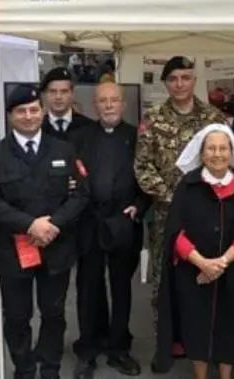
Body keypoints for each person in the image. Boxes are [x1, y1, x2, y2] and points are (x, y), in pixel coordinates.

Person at [0, 85, 89, 379]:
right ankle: (24, 369)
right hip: (13, 250)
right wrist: (30, 225)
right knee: (16, 317)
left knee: (53, 314)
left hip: (56, 246)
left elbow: (79, 195)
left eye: (34, 110)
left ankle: (50, 368)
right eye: (21, 111)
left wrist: (52, 225)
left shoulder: (64, 150)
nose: (29, 116)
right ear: (10, 115)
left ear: (42, 111)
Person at [152, 123, 234, 378]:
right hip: (193, 272)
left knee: (229, 325)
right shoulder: (188, 185)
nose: (217, 154)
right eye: (211, 148)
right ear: (202, 153)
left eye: (223, 148)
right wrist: (202, 263)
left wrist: (220, 263)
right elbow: (176, 232)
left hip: (231, 271)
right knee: (196, 324)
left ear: (232, 153)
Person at [133, 55, 227, 347]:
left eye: (185, 78)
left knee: (206, 269)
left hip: (207, 212)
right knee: (165, 274)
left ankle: (203, 334)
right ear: (165, 83)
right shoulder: (153, 118)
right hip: (166, 213)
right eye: (173, 79)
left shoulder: (213, 118)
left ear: (194, 80)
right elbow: (142, 166)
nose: (179, 84)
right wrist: (172, 197)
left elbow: (226, 161)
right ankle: (168, 337)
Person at [69, 82, 152, 378]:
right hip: (89, 222)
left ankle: (119, 349)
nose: (108, 105)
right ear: (94, 105)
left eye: (113, 100)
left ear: (123, 104)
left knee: (121, 288)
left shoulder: (138, 137)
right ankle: (88, 349)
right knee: (88, 287)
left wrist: (139, 206)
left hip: (123, 221)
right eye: (102, 101)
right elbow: (71, 175)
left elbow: (149, 177)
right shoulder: (81, 137)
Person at [40, 66, 95, 140]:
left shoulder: (89, 127)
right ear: (46, 94)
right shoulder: (37, 128)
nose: (58, 97)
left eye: (64, 91)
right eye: (53, 91)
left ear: (72, 94)